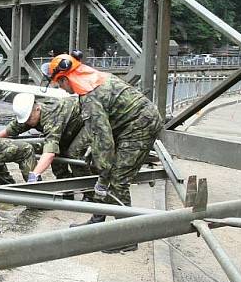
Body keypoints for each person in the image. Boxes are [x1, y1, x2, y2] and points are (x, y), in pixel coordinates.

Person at [48, 54, 163, 252]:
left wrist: (103, 175)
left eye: (59, 84)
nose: (62, 89)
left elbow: (103, 140)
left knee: (118, 180)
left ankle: (127, 238)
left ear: (66, 79)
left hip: (140, 127)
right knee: (106, 169)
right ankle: (98, 219)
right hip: (129, 125)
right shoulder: (96, 79)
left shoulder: (90, 97)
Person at [0, 92, 90, 182]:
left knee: (74, 154)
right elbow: (11, 129)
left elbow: (50, 153)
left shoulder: (51, 117)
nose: (27, 122)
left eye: (29, 119)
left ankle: (88, 191)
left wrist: (34, 175)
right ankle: (66, 188)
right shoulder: (30, 114)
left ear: (37, 109)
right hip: (67, 129)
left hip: (87, 124)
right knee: (57, 162)